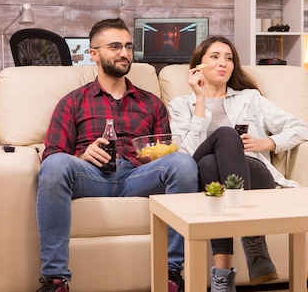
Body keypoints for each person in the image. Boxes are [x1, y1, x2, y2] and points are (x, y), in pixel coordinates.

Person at [36, 18, 198, 292]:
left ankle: (171, 274)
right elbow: (52, 154)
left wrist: (153, 155)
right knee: (54, 165)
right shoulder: (73, 101)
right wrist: (83, 155)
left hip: (138, 176)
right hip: (91, 176)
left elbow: (165, 152)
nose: (124, 53)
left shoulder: (151, 103)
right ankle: (56, 280)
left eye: (128, 47)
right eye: (115, 46)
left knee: (182, 162)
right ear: (94, 54)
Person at [168, 36, 308, 292]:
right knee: (218, 146)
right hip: (204, 175)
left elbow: (300, 127)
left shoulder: (250, 98)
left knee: (217, 160)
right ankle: (254, 243)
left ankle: (221, 279)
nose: (223, 63)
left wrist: (266, 143)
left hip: (256, 176)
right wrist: (200, 99)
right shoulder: (181, 105)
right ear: (198, 66)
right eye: (214, 57)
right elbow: (185, 155)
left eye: (229, 58)